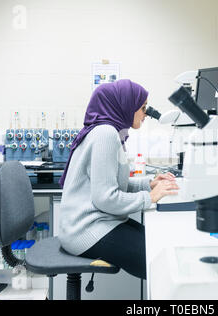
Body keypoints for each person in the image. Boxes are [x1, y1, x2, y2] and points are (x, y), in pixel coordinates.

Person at [58, 79, 179, 280]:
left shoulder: (109, 132)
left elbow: (114, 184)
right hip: (85, 231)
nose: (146, 114)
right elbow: (106, 198)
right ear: (125, 105)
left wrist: (149, 184)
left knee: (161, 243)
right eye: (142, 108)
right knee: (160, 263)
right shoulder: (106, 134)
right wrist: (149, 198)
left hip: (95, 223)